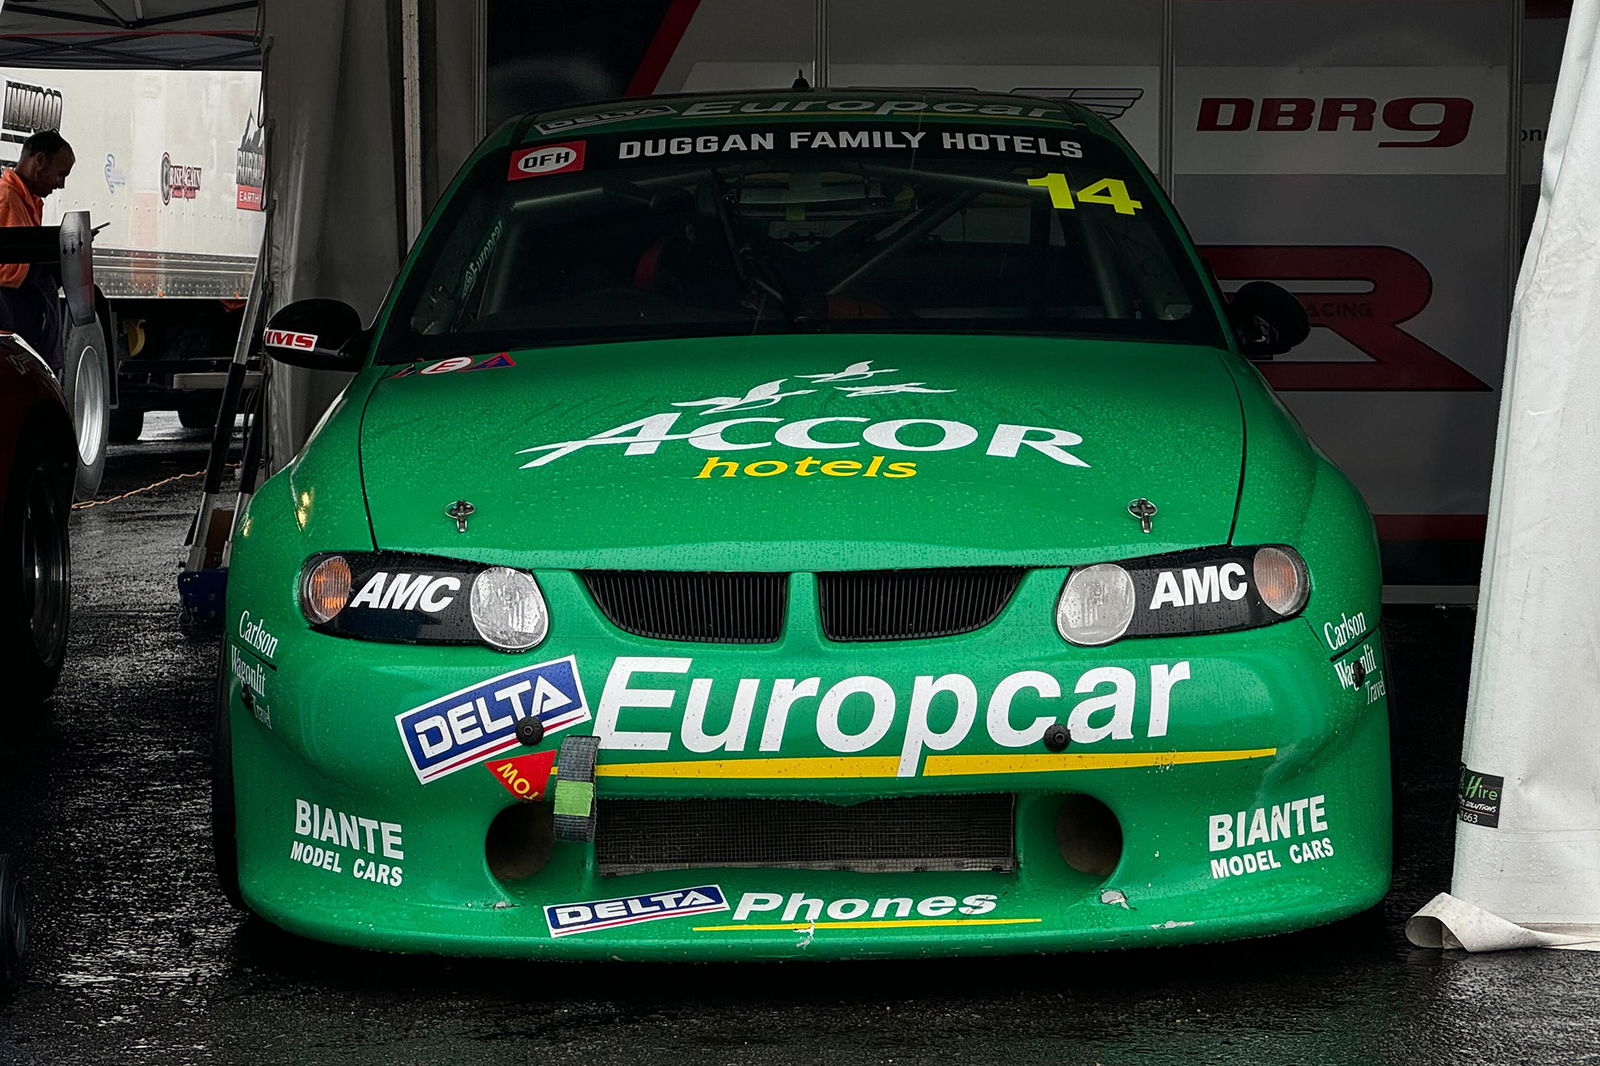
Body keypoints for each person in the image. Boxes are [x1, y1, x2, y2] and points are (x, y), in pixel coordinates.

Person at [0, 130, 75, 375]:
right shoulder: (7, 200)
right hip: (18, 338)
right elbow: (11, 272)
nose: (60, 184)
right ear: (40, 161)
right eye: (60, 174)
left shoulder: (24, 200)